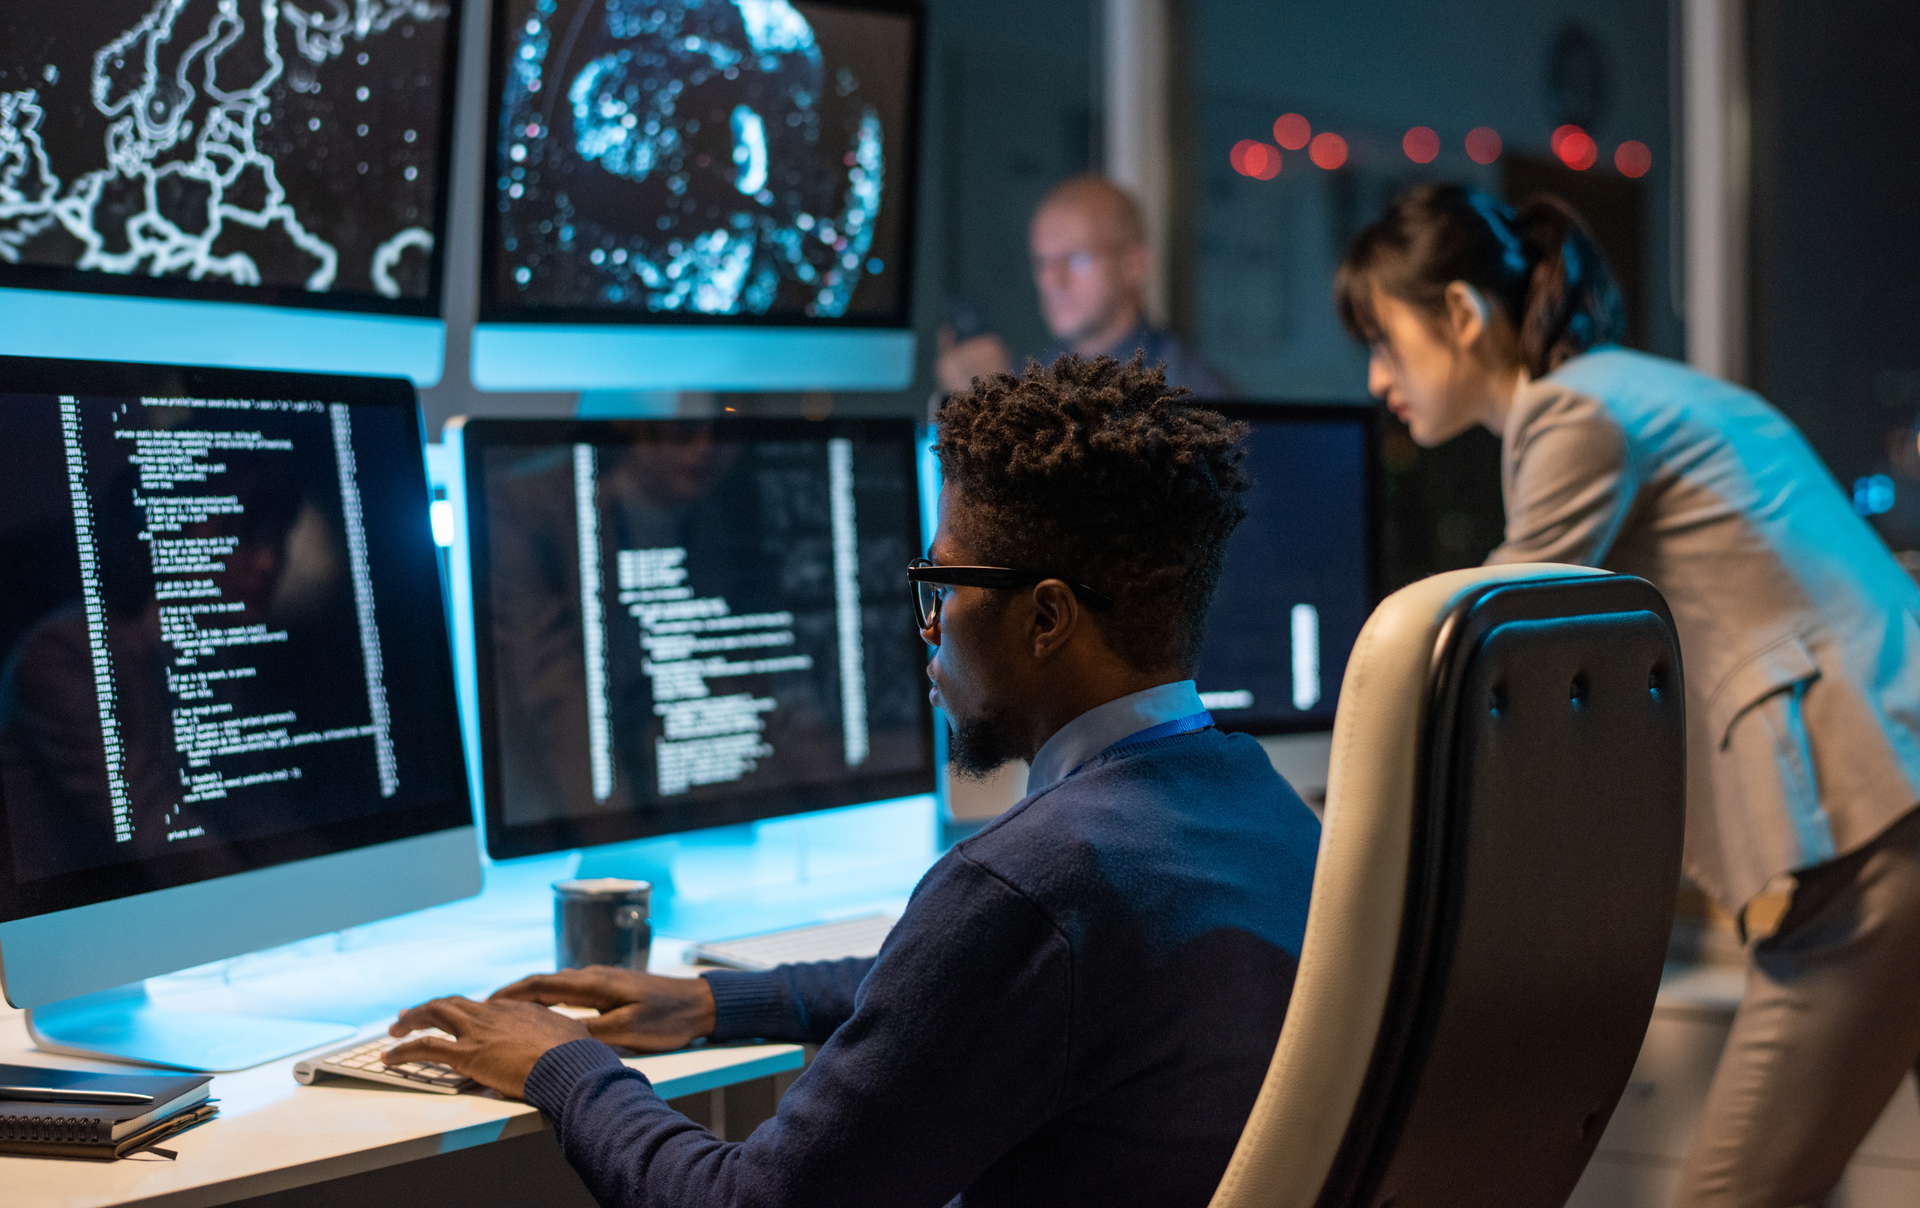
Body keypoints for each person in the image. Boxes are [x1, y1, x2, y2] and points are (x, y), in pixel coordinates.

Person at [385, 355, 1320, 1207]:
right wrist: (720, 1003)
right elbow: (975, 985)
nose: (928, 623)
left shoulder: (1027, 886)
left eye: (943, 584)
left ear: (1045, 618)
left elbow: (745, 1205)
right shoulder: (1262, 809)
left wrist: (564, 1064)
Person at [1336, 182, 1920, 1208]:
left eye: (1383, 341)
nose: (1378, 378)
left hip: (1866, 838)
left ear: (1464, 316)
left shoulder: (1572, 412)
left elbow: (1488, 656)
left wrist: (1362, 817)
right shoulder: (1638, 386)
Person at [937, 174, 1233, 398]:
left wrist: (1006, 402)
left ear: (1134, 264)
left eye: (1078, 259)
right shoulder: (1041, 374)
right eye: (1042, 263)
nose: (1052, 280)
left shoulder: (1187, 395)